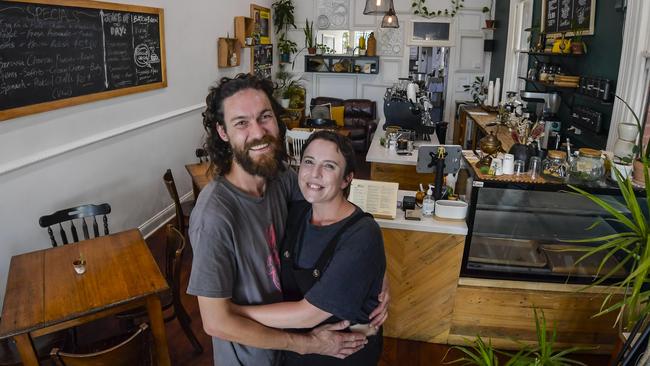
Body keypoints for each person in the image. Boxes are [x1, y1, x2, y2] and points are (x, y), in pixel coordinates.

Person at [187, 74, 387, 366]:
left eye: (264, 116)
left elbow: (334, 206)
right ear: (223, 132)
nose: (258, 132)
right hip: (251, 357)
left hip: (287, 350)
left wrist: (376, 271)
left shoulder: (279, 177)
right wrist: (306, 344)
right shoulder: (214, 216)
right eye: (241, 122)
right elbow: (216, 322)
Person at [233, 130, 386, 365]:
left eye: (329, 166)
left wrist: (233, 314)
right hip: (297, 347)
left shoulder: (362, 234)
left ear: (347, 179)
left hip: (343, 352)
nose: (314, 174)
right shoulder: (297, 212)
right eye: (309, 162)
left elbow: (309, 314)